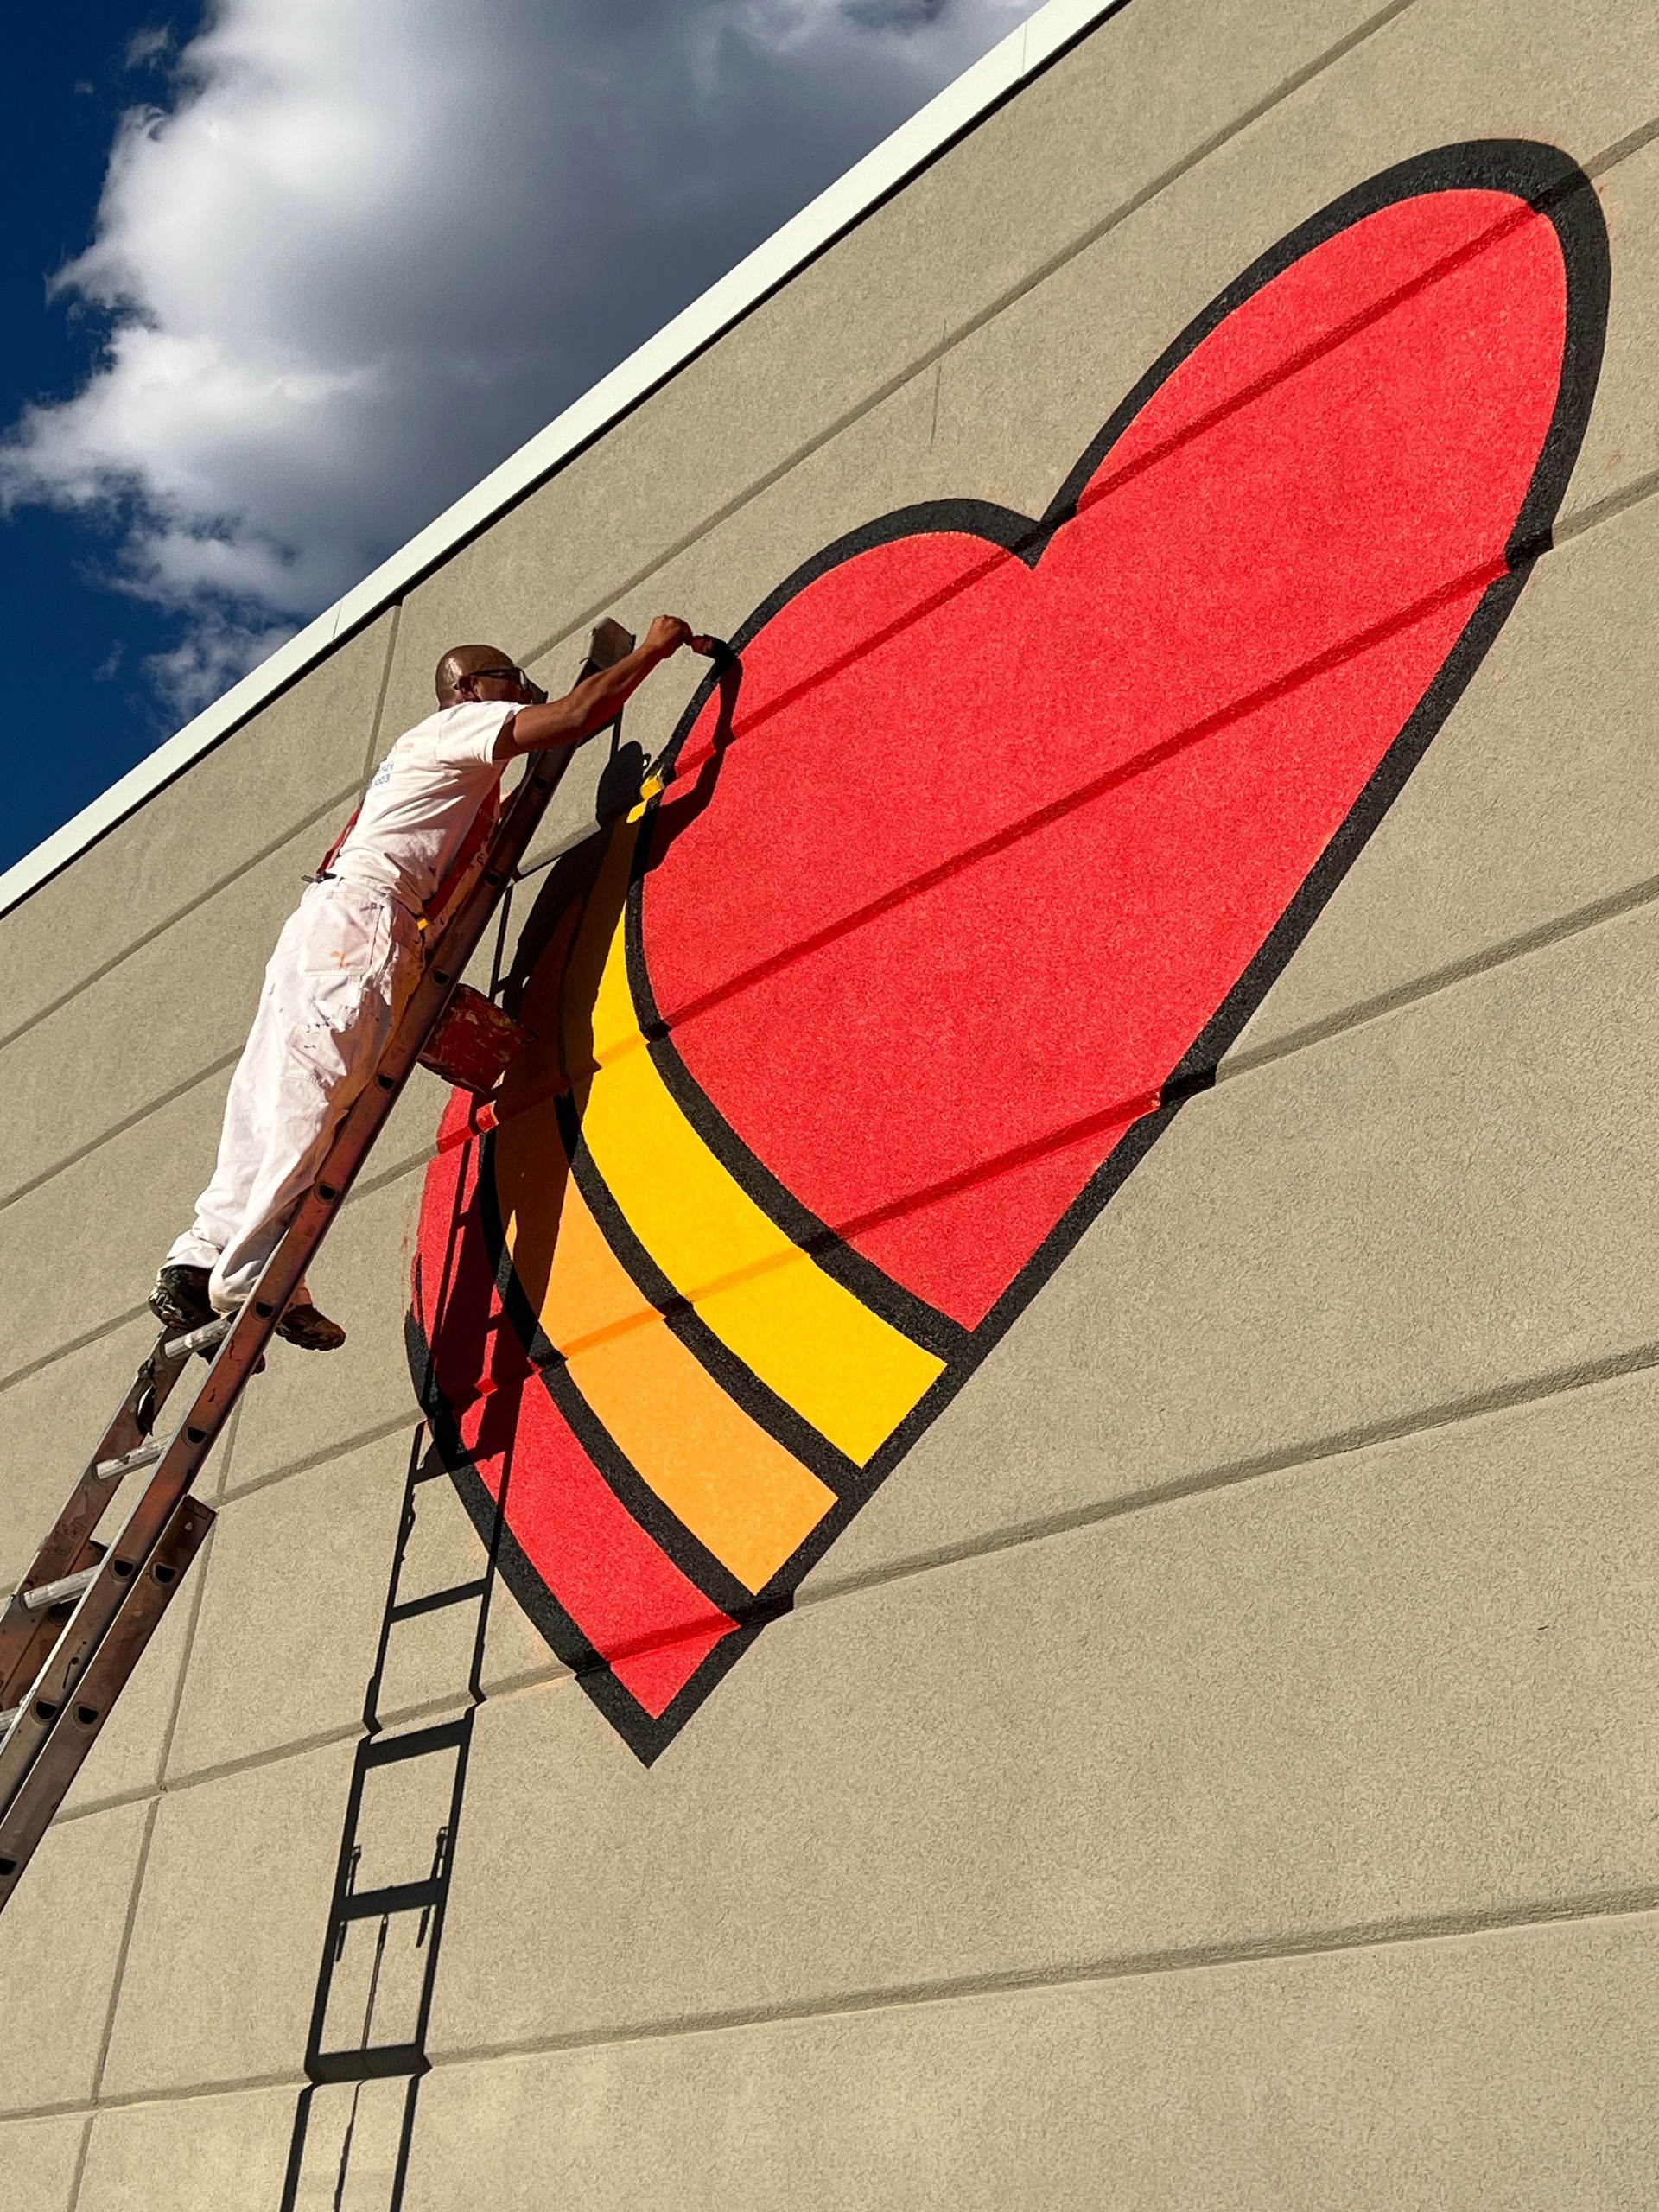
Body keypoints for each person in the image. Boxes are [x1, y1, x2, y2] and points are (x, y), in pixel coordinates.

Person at [150, 618, 710, 1351]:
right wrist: (655, 649)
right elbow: (572, 718)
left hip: (330, 921)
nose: (522, 698)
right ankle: (255, 1271)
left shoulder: (425, 766)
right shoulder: (457, 728)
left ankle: (201, 1257)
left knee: (272, 1088)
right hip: (368, 923)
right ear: (472, 690)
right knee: (321, 1094)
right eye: (512, 684)